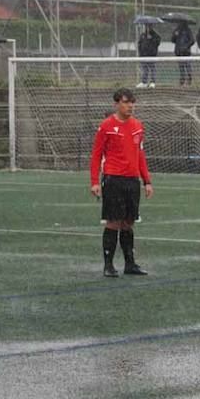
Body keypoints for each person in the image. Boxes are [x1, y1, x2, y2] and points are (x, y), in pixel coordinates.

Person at [88, 89, 152, 277]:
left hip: (132, 181)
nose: (130, 106)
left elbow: (140, 154)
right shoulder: (106, 126)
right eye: (126, 102)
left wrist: (147, 181)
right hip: (113, 179)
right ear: (116, 104)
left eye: (132, 102)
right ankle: (108, 265)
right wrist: (94, 181)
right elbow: (96, 155)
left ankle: (130, 264)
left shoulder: (138, 126)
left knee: (128, 223)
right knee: (113, 222)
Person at [136, 22, 160, 88]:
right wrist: (140, 53)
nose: (148, 28)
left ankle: (152, 82)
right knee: (144, 69)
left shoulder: (155, 35)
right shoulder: (143, 35)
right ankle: (144, 82)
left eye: (149, 26)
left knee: (152, 69)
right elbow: (139, 44)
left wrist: (151, 39)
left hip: (151, 55)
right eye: (146, 26)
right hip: (143, 55)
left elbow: (157, 42)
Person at [171, 19, 195, 87]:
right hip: (178, 51)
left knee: (188, 66)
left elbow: (192, 40)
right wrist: (175, 35)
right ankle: (182, 81)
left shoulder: (188, 30)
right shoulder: (176, 30)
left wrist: (186, 46)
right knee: (181, 68)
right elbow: (172, 40)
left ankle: (189, 81)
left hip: (186, 52)